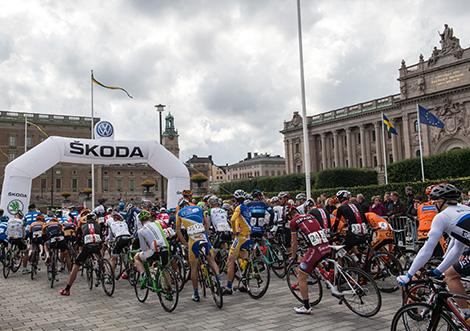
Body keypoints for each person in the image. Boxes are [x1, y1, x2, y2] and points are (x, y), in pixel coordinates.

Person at [397, 184, 470, 316]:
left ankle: (467, 315)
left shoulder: (442, 217)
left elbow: (427, 249)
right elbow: (457, 248)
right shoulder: (465, 209)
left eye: (435, 202)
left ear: (441, 202)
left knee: (451, 276)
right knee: (450, 272)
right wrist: (438, 270)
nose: (434, 205)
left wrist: (409, 275)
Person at [289, 206, 331, 314]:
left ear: (290, 216)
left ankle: (306, 307)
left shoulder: (293, 222)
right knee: (313, 260)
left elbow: (294, 243)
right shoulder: (310, 216)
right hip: (326, 245)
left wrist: (293, 257)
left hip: (316, 249)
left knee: (301, 274)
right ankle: (329, 278)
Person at [176, 199, 220, 302]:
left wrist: (185, 244)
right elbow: (207, 223)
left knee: (194, 267)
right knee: (212, 261)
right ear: (188, 204)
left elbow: (178, 231)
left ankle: (196, 294)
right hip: (203, 237)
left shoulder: (180, 213)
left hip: (193, 240)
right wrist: (205, 233)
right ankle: (218, 281)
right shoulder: (199, 208)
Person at [60, 213, 103, 296]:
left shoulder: (82, 226)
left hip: (87, 246)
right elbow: (101, 237)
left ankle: (67, 289)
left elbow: (78, 240)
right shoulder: (98, 226)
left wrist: (79, 246)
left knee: (76, 266)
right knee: (99, 254)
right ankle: (102, 269)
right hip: (97, 245)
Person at [223, 189, 251, 295]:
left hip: (240, 237)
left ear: (235, 199)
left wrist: (234, 232)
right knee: (244, 258)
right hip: (248, 236)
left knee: (230, 261)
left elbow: (233, 220)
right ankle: (244, 283)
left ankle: (229, 287)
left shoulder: (238, 208)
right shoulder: (247, 208)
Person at [134, 210, 170, 285]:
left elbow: (143, 248)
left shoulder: (140, 231)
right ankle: (169, 290)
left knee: (137, 257)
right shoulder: (157, 224)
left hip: (154, 251)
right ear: (149, 218)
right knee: (164, 268)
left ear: (140, 221)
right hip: (165, 248)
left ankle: (144, 275)